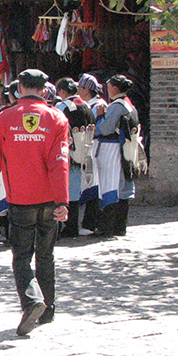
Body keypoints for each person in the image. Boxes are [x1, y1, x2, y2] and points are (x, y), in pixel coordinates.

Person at [0, 69, 69, 335]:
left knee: (21, 257)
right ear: (45, 90)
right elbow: (60, 163)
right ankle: (49, 308)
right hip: (49, 199)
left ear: (19, 89)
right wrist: (62, 201)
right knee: (46, 255)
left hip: (20, 198)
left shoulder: (4, 118)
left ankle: (32, 301)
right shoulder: (57, 118)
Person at [93, 74, 139, 237]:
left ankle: (108, 227)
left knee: (110, 185)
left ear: (114, 88)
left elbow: (105, 129)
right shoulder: (129, 105)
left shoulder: (116, 106)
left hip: (112, 150)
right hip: (125, 149)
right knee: (122, 186)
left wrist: (99, 116)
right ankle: (120, 226)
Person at [54, 78, 95, 238]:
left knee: (63, 189)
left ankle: (66, 226)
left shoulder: (62, 107)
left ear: (63, 92)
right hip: (85, 153)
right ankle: (73, 225)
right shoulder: (87, 106)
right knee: (75, 191)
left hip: (66, 153)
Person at [77, 72, 105, 236]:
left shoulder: (97, 106)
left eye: (79, 88)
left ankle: (90, 223)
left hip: (95, 150)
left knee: (94, 184)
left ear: (86, 90)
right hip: (89, 150)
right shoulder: (90, 105)